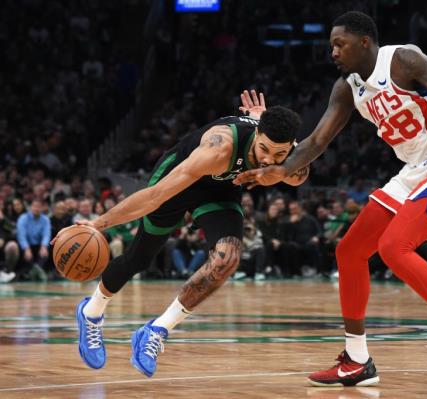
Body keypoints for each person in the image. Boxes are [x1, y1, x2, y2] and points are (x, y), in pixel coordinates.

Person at [234, 12, 427, 388]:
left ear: (363, 42)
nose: (333, 52)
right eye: (331, 46)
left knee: (394, 247)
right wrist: (275, 171)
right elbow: (316, 142)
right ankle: (357, 358)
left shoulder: (403, 59)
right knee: (350, 251)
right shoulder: (346, 88)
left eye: (339, 44)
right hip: (415, 171)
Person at [52, 91, 309, 378]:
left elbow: (300, 173)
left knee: (227, 259)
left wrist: (279, 161)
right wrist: (96, 225)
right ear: (256, 134)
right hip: (178, 183)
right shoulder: (219, 146)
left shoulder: (285, 153)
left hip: (220, 191)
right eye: (264, 149)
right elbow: (153, 197)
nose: (268, 159)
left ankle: (157, 330)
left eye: (279, 154)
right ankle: (91, 312)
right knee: (139, 259)